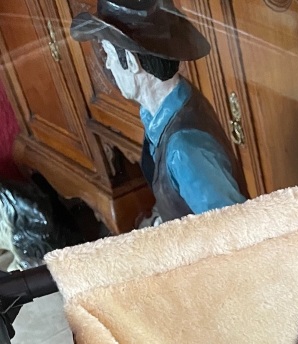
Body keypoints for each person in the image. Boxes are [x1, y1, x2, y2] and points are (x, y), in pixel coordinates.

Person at [71, 1, 245, 223]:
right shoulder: (164, 113)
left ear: (132, 62)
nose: (108, 66)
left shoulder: (184, 151)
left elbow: (233, 230)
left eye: (110, 55)